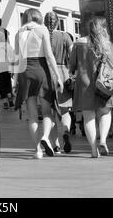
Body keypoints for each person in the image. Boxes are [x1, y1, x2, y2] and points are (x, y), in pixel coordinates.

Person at [13, 8, 63, 159]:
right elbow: (49, 55)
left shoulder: (18, 33)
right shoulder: (43, 30)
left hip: (24, 72)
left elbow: (17, 58)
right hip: (41, 69)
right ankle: (45, 137)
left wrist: (15, 80)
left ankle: (37, 150)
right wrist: (58, 76)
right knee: (47, 111)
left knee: (32, 115)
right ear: (38, 17)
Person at [69, 16, 113, 158]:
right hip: (103, 84)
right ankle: (103, 140)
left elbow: (72, 64)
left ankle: (93, 149)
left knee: (88, 117)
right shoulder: (108, 44)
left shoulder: (79, 43)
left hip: (84, 85)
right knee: (105, 113)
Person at [44, 11, 73, 154]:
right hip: (63, 73)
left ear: (44, 22)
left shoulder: (42, 36)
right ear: (57, 23)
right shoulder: (65, 36)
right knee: (65, 110)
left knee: (50, 111)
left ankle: (55, 145)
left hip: (46, 74)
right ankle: (66, 132)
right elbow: (72, 56)